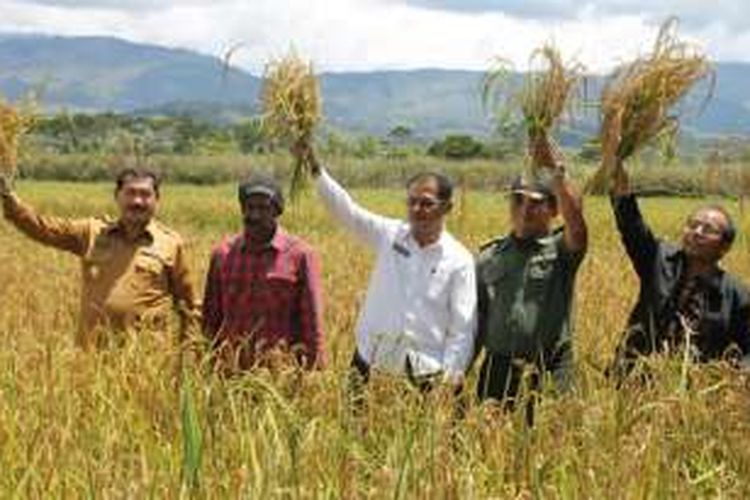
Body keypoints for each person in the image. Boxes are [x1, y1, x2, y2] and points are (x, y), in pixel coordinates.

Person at [302, 146, 476, 395]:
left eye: (426, 203)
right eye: (412, 202)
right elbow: (348, 212)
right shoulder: (390, 235)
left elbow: (462, 327)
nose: (417, 210)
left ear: (447, 208)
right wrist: (314, 168)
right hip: (368, 365)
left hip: (424, 377)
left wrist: (448, 382)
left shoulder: (459, 260)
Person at [0, 169, 199, 348]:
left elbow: (189, 307)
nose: (137, 201)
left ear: (157, 199)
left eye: (145, 195)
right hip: (92, 357)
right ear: (117, 197)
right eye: (130, 193)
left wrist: (188, 357)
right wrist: (8, 197)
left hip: (146, 361)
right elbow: (42, 228)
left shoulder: (170, 244)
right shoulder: (91, 232)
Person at [474, 137, 587, 423]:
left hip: (551, 367)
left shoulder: (562, 250)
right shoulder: (489, 257)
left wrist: (555, 175)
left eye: (535, 203)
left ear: (553, 209)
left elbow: (577, 224)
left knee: (553, 446)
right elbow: (475, 322)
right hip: (498, 367)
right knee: (491, 447)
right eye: (517, 200)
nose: (524, 209)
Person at [609, 165, 750, 380]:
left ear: (725, 247)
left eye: (708, 229)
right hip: (632, 383)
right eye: (692, 225)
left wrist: (732, 380)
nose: (697, 232)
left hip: (692, 400)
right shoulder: (657, 259)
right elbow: (631, 227)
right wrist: (619, 177)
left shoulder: (736, 295)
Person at [202, 175, 325, 372]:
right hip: (230, 370)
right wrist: (206, 364)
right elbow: (210, 317)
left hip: (281, 371)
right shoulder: (223, 255)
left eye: (263, 208)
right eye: (249, 207)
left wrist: (316, 370)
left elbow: (312, 320)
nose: (255, 215)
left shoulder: (300, 255)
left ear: (277, 210)